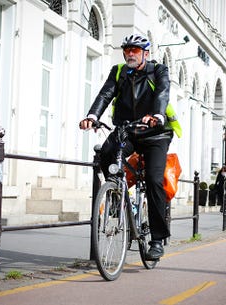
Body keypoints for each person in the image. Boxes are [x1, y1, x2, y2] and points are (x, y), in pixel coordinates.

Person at [79, 34, 177, 261]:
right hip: (128, 130)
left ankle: (157, 240)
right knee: (105, 154)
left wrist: (157, 115)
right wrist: (92, 116)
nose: (130, 53)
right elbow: (105, 93)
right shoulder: (119, 71)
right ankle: (117, 196)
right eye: (127, 50)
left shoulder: (159, 70)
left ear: (146, 53)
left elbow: (163, 92)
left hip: (156, 134)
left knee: (153, 180)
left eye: (135, 50)